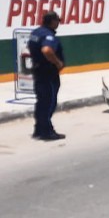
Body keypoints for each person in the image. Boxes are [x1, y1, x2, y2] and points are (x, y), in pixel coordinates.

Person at [28, 11, 66, 140]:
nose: (58, 24)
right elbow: (46, 50)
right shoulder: (48, 36)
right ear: (52, 21)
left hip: (38, 71)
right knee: (49, 103)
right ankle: (47, 131)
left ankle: (38, 129)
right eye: (57, 21)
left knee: (41, 102)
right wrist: (58, 62)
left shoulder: (36, 33)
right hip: (48, 73)